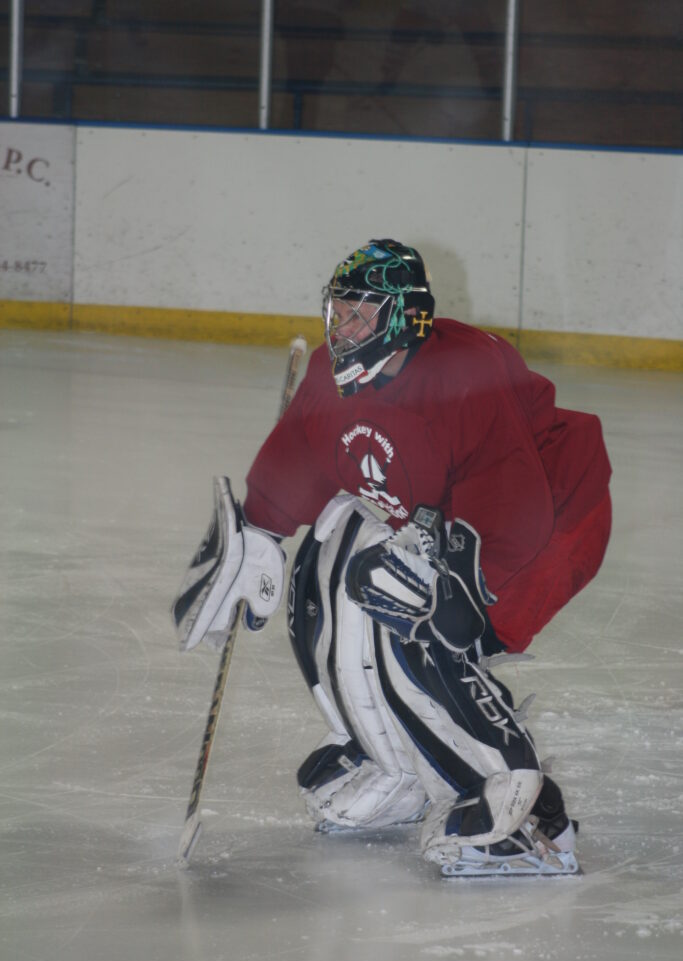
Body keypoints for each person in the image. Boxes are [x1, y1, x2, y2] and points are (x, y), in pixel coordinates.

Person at [173, 239, 612, 876]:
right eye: (340, 311)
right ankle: (400, 768)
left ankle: (516, 803)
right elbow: (301, 455)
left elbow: (513, 496)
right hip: (448, 515)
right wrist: (257, 535)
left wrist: (463, 586)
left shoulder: (466, 372)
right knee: (332, 551)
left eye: (362, 314)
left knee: (412, 606)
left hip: (548, 524)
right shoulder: (332, 373)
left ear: (406, 316)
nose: (344, 328)